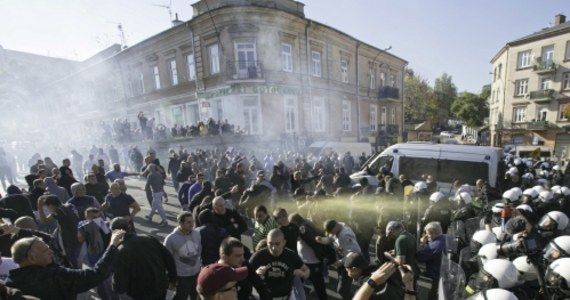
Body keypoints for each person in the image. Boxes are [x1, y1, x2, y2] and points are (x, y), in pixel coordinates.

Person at [5, 229, 125, 299]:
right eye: (46, 250)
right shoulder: (53, 276)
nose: (51, 252)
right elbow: (95, 275)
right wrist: (113, 246)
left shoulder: (10, 284)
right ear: (32, 258)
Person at [111, 217, 177, 300]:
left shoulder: (121, 250)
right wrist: (173, 280)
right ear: (130, 227)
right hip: (160, 286)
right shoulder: (149, 238)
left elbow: (119, 281)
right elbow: (169, 259)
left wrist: (118, 290)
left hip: (140, 293)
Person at [249, 229, 310, 299]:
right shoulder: (259, 255)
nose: (274, 247)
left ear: (284, 242)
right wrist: (255, 274)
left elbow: (307, 270)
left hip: (287, 297)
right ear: (266, 242)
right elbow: (246, 273)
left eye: (277, 244)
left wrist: (303, 274)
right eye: (270, 243)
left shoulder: (291, 255)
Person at [316, 219, 362, 300]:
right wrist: (321, 240)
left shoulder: (345, 235)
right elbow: (330, 239)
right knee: (344, 289)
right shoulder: (337, 229)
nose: (331, 234)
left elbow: (356, 251)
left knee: (342, 290)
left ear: (336, 226)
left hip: (348, 264)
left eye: (331, 231)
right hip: (341, 262)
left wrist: (341, 261)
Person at [163, 211, 202, 300]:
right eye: (188, 222)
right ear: (180, 223)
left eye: (192, 221)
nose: (192, 224)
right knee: (181, 297)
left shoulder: (197, 233)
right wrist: (170, 278)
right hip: (181, 276)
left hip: (196, 272)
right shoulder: (171, 239)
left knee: (197, 297)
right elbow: (166, 260)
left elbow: (199, 250)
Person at [415, 221, 446, 300]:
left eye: (428, 234)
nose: (426, 236)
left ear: (433, 233)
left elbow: (419, 257)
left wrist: (422, 244)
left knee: (432, 295)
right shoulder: (444, 238)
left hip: (436, 275)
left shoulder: (434, 246)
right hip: (444, 271)